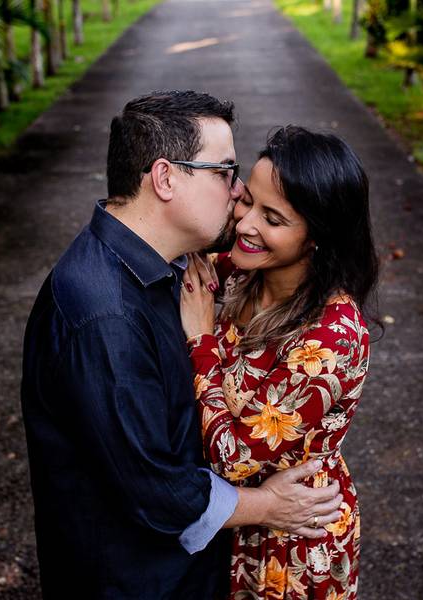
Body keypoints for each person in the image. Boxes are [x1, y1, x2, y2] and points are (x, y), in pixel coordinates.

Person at [20, 92, 345, 599]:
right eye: (223, 171)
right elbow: (157, 488)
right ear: (166, 178)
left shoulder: (165, 263)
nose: (237, 193)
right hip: (134, 581)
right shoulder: (106, 318)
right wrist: (267, 506)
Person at [180, 126, 379, 599]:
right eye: (247, 200)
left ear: (317, 237)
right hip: (226, 522)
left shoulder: (333, 337)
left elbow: (234, 459)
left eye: (272, 218)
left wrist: (202, 340)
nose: (246, 223)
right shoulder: (233, 275)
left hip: (291, 541)